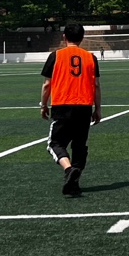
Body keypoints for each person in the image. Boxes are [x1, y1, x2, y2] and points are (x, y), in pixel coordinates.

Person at [41, 24, 101, 196]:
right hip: (84, 106)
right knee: (79, 145)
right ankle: (74, 183)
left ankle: (68, 169)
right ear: (82, 38)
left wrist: (43, 105)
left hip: (62, 105)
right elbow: (96, 85)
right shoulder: (91, 57)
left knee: (55, 144)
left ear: (64, 37)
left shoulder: (55, 55)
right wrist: (98, 108)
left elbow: (47, 85)